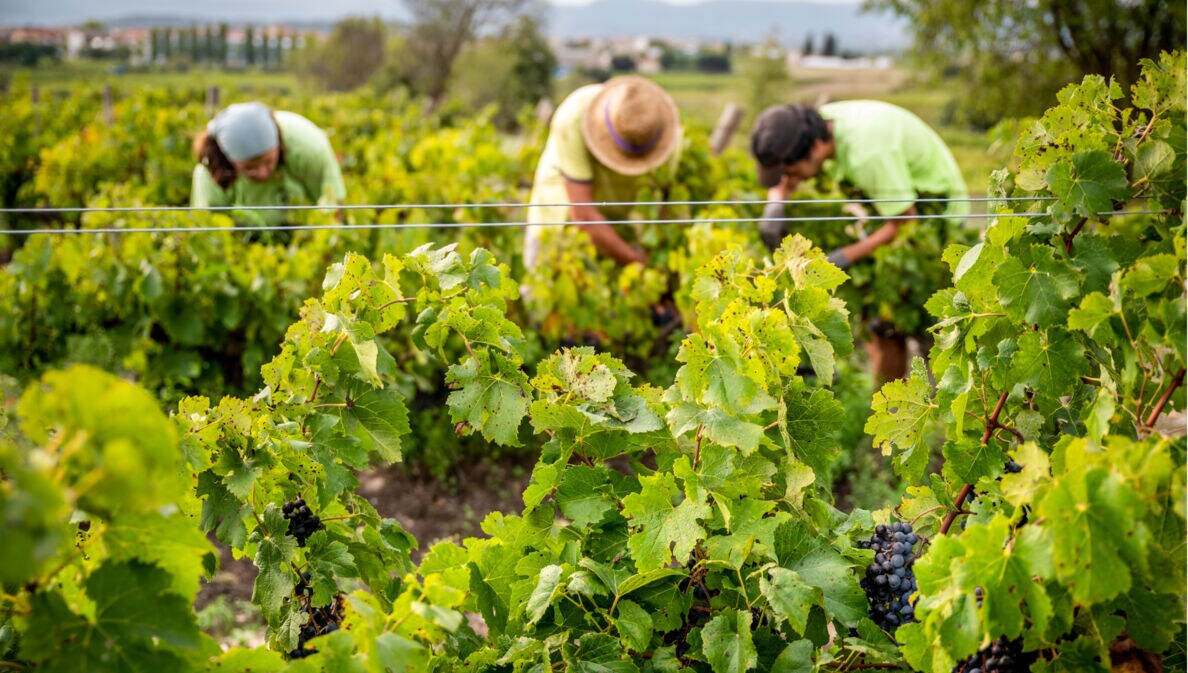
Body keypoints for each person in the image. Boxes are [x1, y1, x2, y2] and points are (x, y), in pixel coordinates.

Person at [749, 100, 969, 382]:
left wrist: (842, 257)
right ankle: (887, 405)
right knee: (880, 329)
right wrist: (775, 203)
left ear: (813, 149)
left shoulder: (866, 155)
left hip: (935, 216)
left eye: (791, 173)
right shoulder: (822, 126)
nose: (790, 180)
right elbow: (788, 175)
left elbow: (906, 222)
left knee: (922, 326)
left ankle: (945, 393)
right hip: (893, 205)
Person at [522, 75, 682, 270]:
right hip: (556, 220)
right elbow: (583, 215)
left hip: (620, 224)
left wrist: (655, 264)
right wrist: (636, 261)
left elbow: (660, 208)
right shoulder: (574, 117)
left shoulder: (664, 137)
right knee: (542, 288)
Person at [191, 102, 346, 227]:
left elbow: (333, 208)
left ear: (278, 146)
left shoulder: (310, 147)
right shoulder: (212, 166)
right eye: (250, 168)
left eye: (269, 161)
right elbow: (208, 227)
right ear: (228, 160)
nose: (263, 173)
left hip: (300, 230)